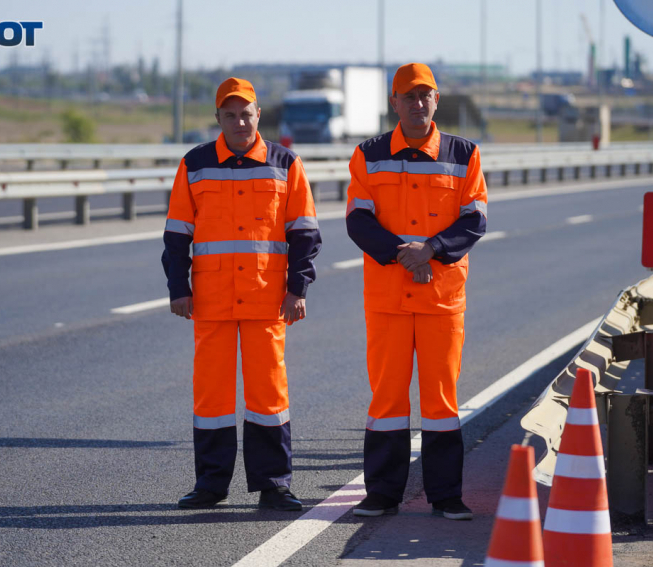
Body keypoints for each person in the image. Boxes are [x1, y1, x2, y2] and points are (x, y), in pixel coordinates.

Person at [162, 77, 322, 511]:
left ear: (257, 115)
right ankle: (210, 485)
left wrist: (297, 289)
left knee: (269, 395)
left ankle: (274, 485)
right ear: (218, 118)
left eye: (245, 114)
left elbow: (305, 233)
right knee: (211, 396)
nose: (238, 122)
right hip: (211, 299)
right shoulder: (194, 164)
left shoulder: (284, 163)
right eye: (229, 115)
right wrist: (179, 288)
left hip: (266, 299)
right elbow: (177, 234)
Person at [344, 63, 487, 520]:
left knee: (441, 400)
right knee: (386, 399)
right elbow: (357, 219)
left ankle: (446, 495)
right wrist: (404, 253)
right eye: (409, 96)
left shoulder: (465, 154)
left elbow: (475, 218)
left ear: (437, 101)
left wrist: (432, 250)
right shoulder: (368, 154)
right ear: (395, 103)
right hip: (388, 298)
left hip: (442, 300)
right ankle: (382, 494)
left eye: (425, 96)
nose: (418, 103)